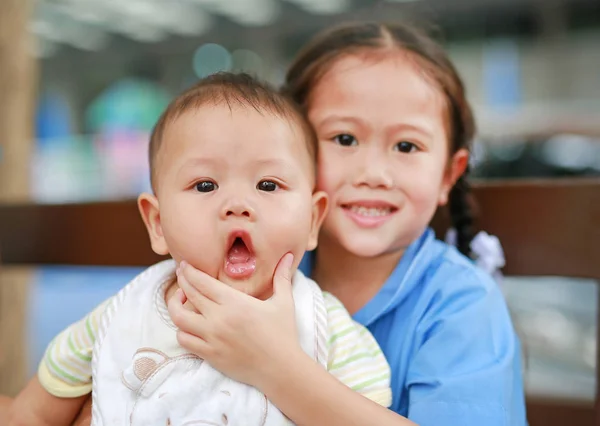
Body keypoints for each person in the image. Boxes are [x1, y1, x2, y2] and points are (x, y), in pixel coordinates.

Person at [166, 22, 527, 426]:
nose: (373, 172)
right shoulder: (254, 268)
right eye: (344, 139)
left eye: (406, 146)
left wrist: (274, 367)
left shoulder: (462, 304)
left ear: (448, 174)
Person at [8, 73, 399, 426]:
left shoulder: (330, 334)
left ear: (313, 221)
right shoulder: (119, 318)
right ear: (157, 224)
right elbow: (31, 416)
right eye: (205, 186)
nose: (238, 205)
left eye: (268, 185)